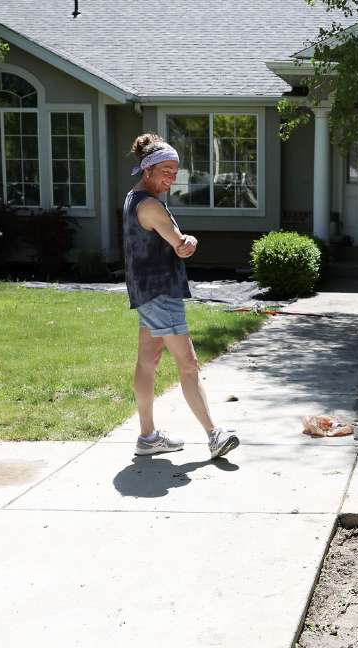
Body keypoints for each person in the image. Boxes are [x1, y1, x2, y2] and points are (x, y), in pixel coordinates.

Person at [123, 132, 238, 459]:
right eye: (166, 171)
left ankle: (148, 437)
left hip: (145, 292)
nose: (172, 178)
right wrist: (190, 242)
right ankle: (214, 434)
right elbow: (181, 246)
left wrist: (183, 239)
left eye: (175, 171)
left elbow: (171, 239)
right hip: (161, 293)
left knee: (147, 362)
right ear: (148, 170)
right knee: (187, 364)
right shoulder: (149, 205)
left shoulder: (133, 199)